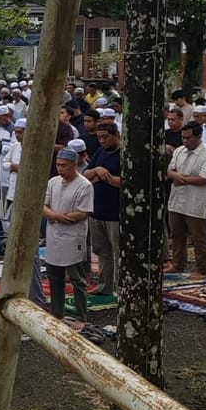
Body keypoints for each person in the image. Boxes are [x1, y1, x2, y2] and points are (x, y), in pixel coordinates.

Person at [43, 147, 94, 325]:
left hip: (73, 236)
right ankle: (57, 313)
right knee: (54, 277)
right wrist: (55, 216)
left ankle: (81, 317)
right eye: (58, 165)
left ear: (74, 164)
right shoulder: (53, 182)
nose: (60, 168)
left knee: (76, 279)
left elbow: (83, 213)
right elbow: (44, 205)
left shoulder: (84, 185)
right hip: (54, 234)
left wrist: (58, 217)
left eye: (64, 165)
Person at [166, 122, 206, 278]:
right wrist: (176, 176)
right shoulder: (179, 151)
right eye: (183, 137)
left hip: (198, 202)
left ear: (199, 136)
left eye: (188, 138)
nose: (185, 141)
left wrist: (182, 179)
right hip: (178, 200)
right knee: (176, 234)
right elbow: (170, 170)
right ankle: (178, 264)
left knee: (199, 238)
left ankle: (201, 269)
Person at [84, 122, 122, 295]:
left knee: (118, 251)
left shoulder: (124, 154)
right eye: (99, 137)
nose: (102, 141)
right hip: (97, 209)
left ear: (116, 135)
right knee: (101, 251)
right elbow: (85, 175)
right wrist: (98, 170)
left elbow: (126, 181)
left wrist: (109, 179)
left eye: (105, 137)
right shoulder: (100, 152)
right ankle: (105, 285)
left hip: (116, 212)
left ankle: (121, 286)